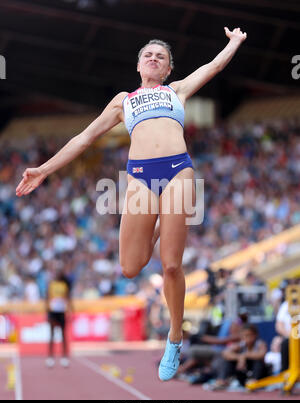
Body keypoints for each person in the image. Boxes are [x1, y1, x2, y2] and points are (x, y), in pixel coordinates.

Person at [16, 27, 247, 381]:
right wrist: (44, 170)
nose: (154, 58)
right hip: (140, 177)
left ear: (168, 70)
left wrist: (233, 43)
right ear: (139, 65)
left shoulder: (177, 90)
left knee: (171, 265)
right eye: (148, 55)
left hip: (177, 171)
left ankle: (174, 335)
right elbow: (84, 137)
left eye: (161, 56)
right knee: (130, 266)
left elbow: (213, 66)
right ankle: (160, 224)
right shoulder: (123, 101)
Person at [211, 324, 268, 390]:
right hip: (244, 373)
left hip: (259, 374)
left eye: (250, 335)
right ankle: (222, 380)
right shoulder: (241, 345)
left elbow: (261, 354)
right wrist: (239, 357)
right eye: (245, 336)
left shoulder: (260, 344)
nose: (248, 338)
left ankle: (254, 381)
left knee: (258, 361)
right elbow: (226, 353)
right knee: (227, 361)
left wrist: (244, 356)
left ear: (255, 335)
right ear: (242, 337)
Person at [46, 274, 72, 368]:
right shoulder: (51, 285)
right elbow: (47, 297)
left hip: (61, 312)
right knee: (52, 335)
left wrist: (69, 310)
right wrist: (47, 312)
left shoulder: (64, 285)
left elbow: (68, 298)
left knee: (63, 335)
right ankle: (50, 357)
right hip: (53, 312)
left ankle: (64, 357)